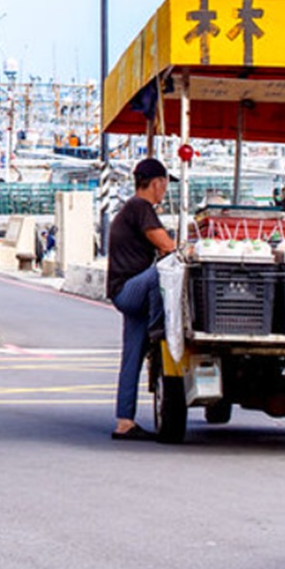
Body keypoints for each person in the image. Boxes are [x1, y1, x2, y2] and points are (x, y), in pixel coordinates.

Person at [107, 156, 177, 441]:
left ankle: (124, 420)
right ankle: (158, 327)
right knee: (164, 270)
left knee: (132, 358)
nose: (165, 191)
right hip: (129, 290)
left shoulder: (131, 209)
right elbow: (166, 247)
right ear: (157, 183)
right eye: (164, 185)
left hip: (123, 289)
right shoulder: (140, 207)